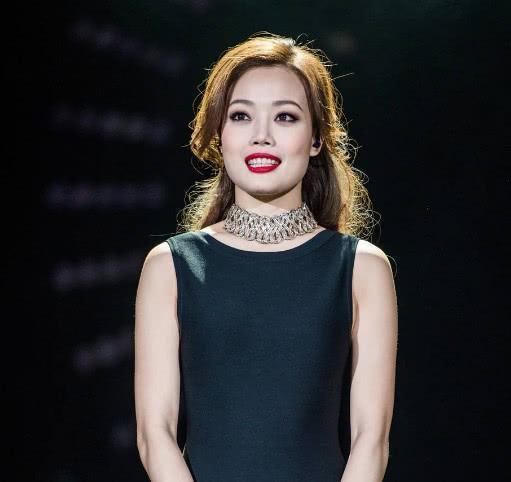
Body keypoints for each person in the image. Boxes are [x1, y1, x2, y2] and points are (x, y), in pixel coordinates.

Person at [134, 32, 398, 482]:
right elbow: (153, 432)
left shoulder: (361, 268)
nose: (261, 136)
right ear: (219, 135)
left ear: (316, 139)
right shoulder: (172, 266)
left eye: (285, 117)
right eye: (241, 116)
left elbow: (371, 438)